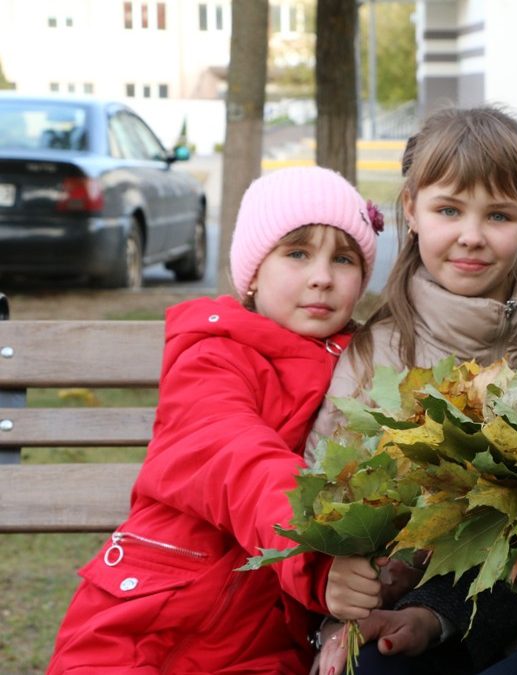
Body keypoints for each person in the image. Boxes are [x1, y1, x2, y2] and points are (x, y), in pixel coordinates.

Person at [48, 166, 386, 674]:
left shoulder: (364, 368)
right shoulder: (212, 358)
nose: (322, 276)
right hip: (150, 627)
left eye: (344, 259)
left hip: (266, 643)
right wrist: (318, 554)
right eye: (297, 253)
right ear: (251, 273)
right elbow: (237, 457)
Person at [305, 106, 517, 675]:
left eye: (498, 215)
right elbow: (325, 499)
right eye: (448, 210)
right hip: (388, 615)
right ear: (412, 209)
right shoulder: (376, 356)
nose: (472, 236)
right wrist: (339, 613)